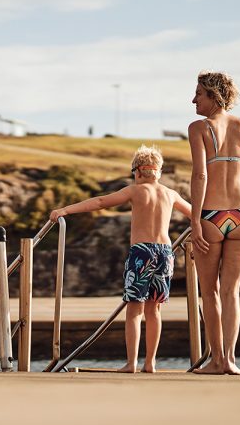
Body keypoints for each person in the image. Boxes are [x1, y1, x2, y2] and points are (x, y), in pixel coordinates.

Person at [49, 145, 190, 373]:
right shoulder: (170, 194)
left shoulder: (135, 190)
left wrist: (65, 210)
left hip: (142, 252)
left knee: (135, 310)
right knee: (154, 311)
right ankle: (150, 362)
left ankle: (132, 363)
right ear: (159, 171)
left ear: (136, 171)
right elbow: (196, 214)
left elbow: (101, 202)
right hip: (165, 252)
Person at [188, 71, 240, 375]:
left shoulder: (199, 128)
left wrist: (195, 221)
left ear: (213, 95)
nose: (193, 99)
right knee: (231, 292)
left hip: (211, 215)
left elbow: (200, 175)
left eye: (198, 93)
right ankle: (231, 361)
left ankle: (217, 360)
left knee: (209, 292)